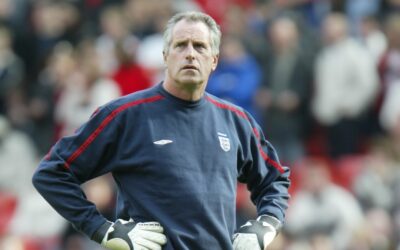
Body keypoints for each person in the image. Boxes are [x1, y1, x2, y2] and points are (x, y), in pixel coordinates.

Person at [32, 11, 290, 250]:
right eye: (180, 45)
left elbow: (274, 180)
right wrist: (101, 229)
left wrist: (265, 223)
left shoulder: (236, 121)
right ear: (166, 56)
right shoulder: (125, 115)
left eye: (199, 46)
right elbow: (52, 172)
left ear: (213, 60)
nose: (190, 53)